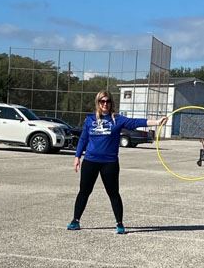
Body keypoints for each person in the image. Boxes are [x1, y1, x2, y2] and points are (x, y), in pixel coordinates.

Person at [68, 90, 167, 234]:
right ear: (98, 103)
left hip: (110, 163)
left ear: (111, 103)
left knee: (113, 193)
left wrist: (156, 122)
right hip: (90, 161)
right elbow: (83, 139)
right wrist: (77, 157)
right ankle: (75, 220)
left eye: (108, 101)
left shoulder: (117, 119)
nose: (105, 104)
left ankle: (119, 223)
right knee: (84, 191)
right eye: (102, 101)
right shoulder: (90, 119)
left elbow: (135, 123)